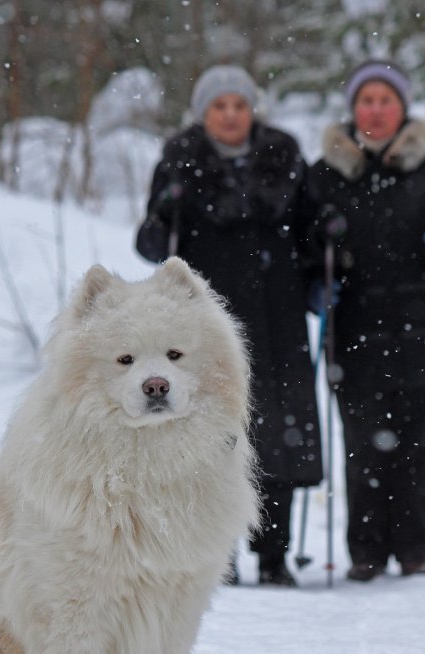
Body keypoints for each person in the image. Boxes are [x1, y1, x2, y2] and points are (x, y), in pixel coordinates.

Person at [136, 65, 322, 587]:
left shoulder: (283, 157)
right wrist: (165, 210)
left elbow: (310, 236)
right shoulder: (179, 161)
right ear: (204, 113)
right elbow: (152, 246)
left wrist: (330, 255)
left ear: (252, 109)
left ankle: (273, 555)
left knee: (278, 437)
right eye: (220, 106)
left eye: (239, 105)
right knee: (213, 434)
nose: (231, 115)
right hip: (209, 327)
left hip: (279, 318)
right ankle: (220, 554)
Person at [308, 59, 425, 581]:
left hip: (423, 330)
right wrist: (317, 279)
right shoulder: (326, 176)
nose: (376, 110)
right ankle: (365, 552)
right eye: (367, 101)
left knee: (419, 445)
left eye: (386, 100)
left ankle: (415, 550)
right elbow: (306, 245)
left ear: (402, 108)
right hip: (356, 331)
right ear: (353, 108)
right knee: (363, 444)